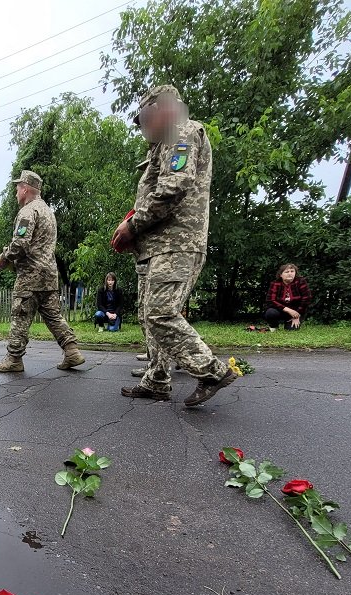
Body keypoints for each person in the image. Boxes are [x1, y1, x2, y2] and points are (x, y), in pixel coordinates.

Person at [113, 85, 237, 407]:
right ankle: (156, 379)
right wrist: (136, 231)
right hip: (157, 246)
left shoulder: (181, 131)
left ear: (160, 109)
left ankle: (211, 371)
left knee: (161, 313)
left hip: (176, 243)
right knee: (148, 315)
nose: (142, 127)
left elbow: (174, 187)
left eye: (143, 119)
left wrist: (132, 226)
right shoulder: (162, 143)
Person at [0, 170, 85, 373]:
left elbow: (20, 244)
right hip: (49, 274)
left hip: (30, 276)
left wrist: (4, 258)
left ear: (25, 189)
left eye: (17, 188)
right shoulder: (48, 212)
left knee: (20, 316)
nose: (16, 192)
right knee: (53, 316)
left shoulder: (28, 211)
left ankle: (14, 359)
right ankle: (72, 351)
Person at [265, 263, 312, 330]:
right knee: (270, 313)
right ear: (281, 275)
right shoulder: (275, 283)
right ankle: (274, 326)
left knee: (291, 329)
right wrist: (288, 310)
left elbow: (306, 299)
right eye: (287, 272)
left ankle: (290, 323)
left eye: (292, 271)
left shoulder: (301, 282)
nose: (290, 273)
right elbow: (270, 300)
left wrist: (297, 315)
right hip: (281, 310)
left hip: (297, 311)